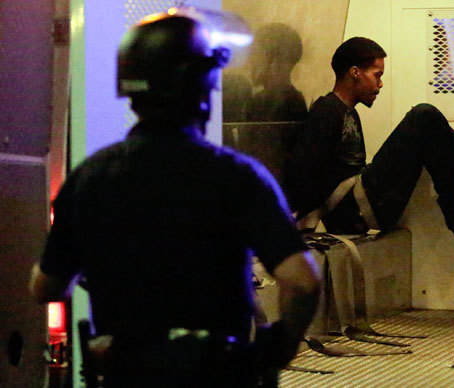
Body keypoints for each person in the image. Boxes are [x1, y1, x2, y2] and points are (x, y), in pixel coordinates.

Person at [29, 9, 320, 387]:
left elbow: (46, 287)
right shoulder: (239, 177)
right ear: (203, 87)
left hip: (127, 375)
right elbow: (302, 282)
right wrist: (277, 350)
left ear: (129, 89)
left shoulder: (90, 177)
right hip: (217, 375)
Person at [285, 37, 454, 236]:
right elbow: (302, 171)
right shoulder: (326, 110)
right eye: (377, 75)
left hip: (360, 205)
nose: (381, 83)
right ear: (355, 73)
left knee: (434, 128)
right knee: (424, 116)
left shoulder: (349, 112)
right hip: (352, 210)